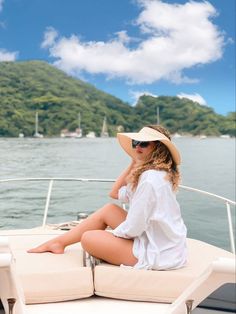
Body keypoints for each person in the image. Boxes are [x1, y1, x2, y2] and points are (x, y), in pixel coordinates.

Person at [28, 125, 187, 270]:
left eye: (144, 144)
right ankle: (58, 243)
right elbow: (115, 193)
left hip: (159, 253)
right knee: (109, 210)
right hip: (160, 241)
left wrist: (111, 236)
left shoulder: (150, 179)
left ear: (158, 148)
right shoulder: (156, 173)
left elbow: (135, 226)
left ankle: (61, 243)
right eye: (135, 143)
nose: (137, 146)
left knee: (89, 237)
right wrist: (134, 161)